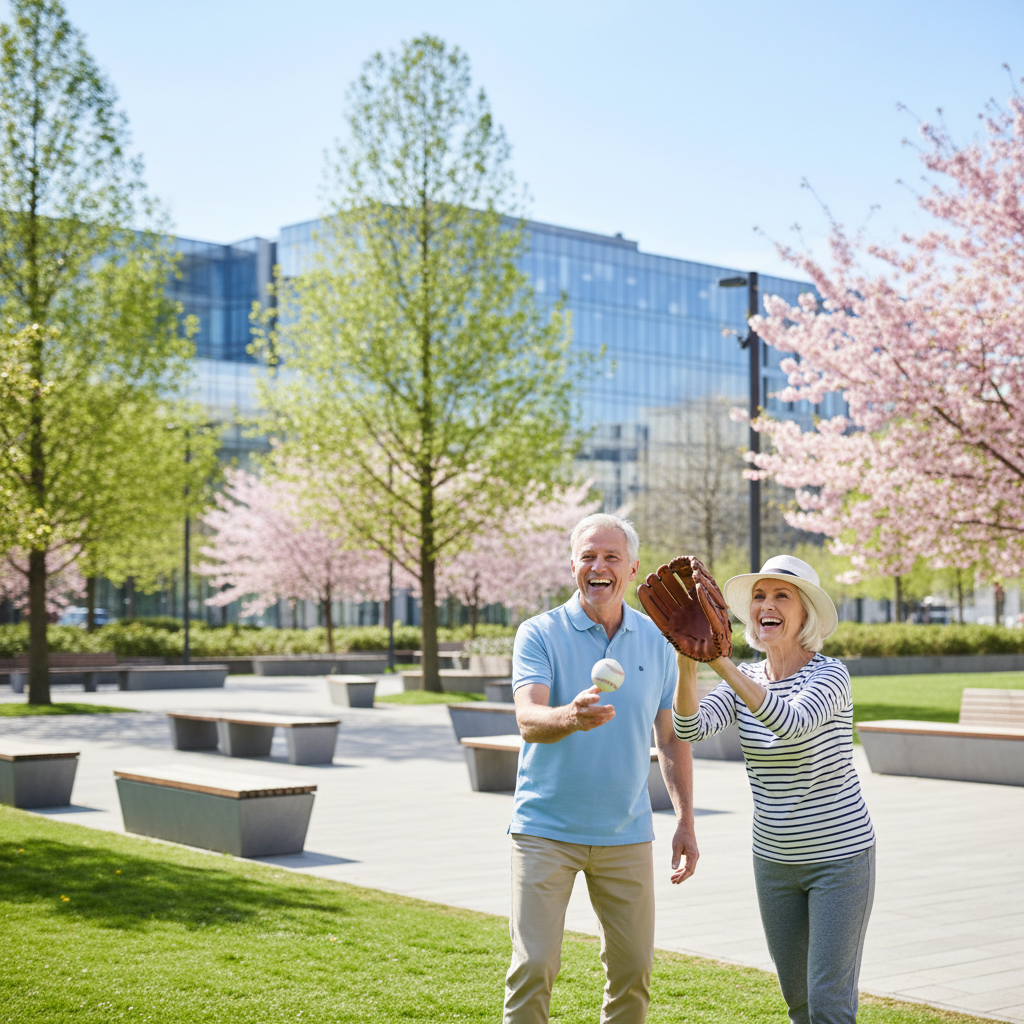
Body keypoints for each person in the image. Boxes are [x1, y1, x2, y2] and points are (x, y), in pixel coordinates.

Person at [505, 513, 699, 1024]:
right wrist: (571, 716)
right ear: (573, 566)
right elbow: (528, 718)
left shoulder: (659, 642)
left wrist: (685, 821)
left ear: (632, 569)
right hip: (546, 830)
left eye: (612, 557)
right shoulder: (539, 633)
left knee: (634, 973)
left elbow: (672, 734)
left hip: (627, 833)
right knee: (535, 967)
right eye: (589, 556)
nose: (599, 566)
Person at [672, 554, 875, 1024]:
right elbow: (690, 729)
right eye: (759, 596)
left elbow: (792, 724)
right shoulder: (747, 678)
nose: (767, 604)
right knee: (799, 1003)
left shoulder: (830, 675)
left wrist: (719, 663)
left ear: (805, 613)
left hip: (839, 860)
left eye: (782, 595)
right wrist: (687, 665)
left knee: (828, 1003)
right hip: (774, 861)